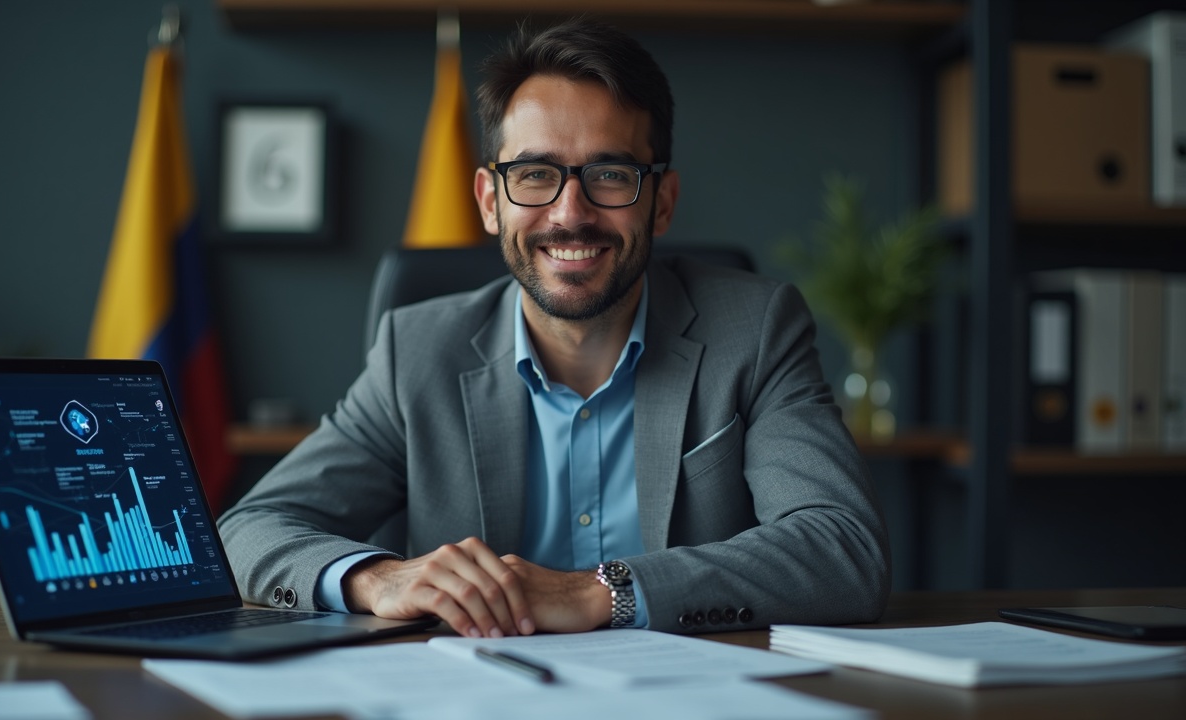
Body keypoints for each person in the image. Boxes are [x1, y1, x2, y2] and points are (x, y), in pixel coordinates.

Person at [217, 18, 890, 638]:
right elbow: (247, 530)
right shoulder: (416, 351)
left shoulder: (755, 330)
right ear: (490, 200)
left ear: (662, 203)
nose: (571, 212)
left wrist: (600, 592)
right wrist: (376, 577)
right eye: (535, 173)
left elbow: (842, 547)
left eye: (611, 173)